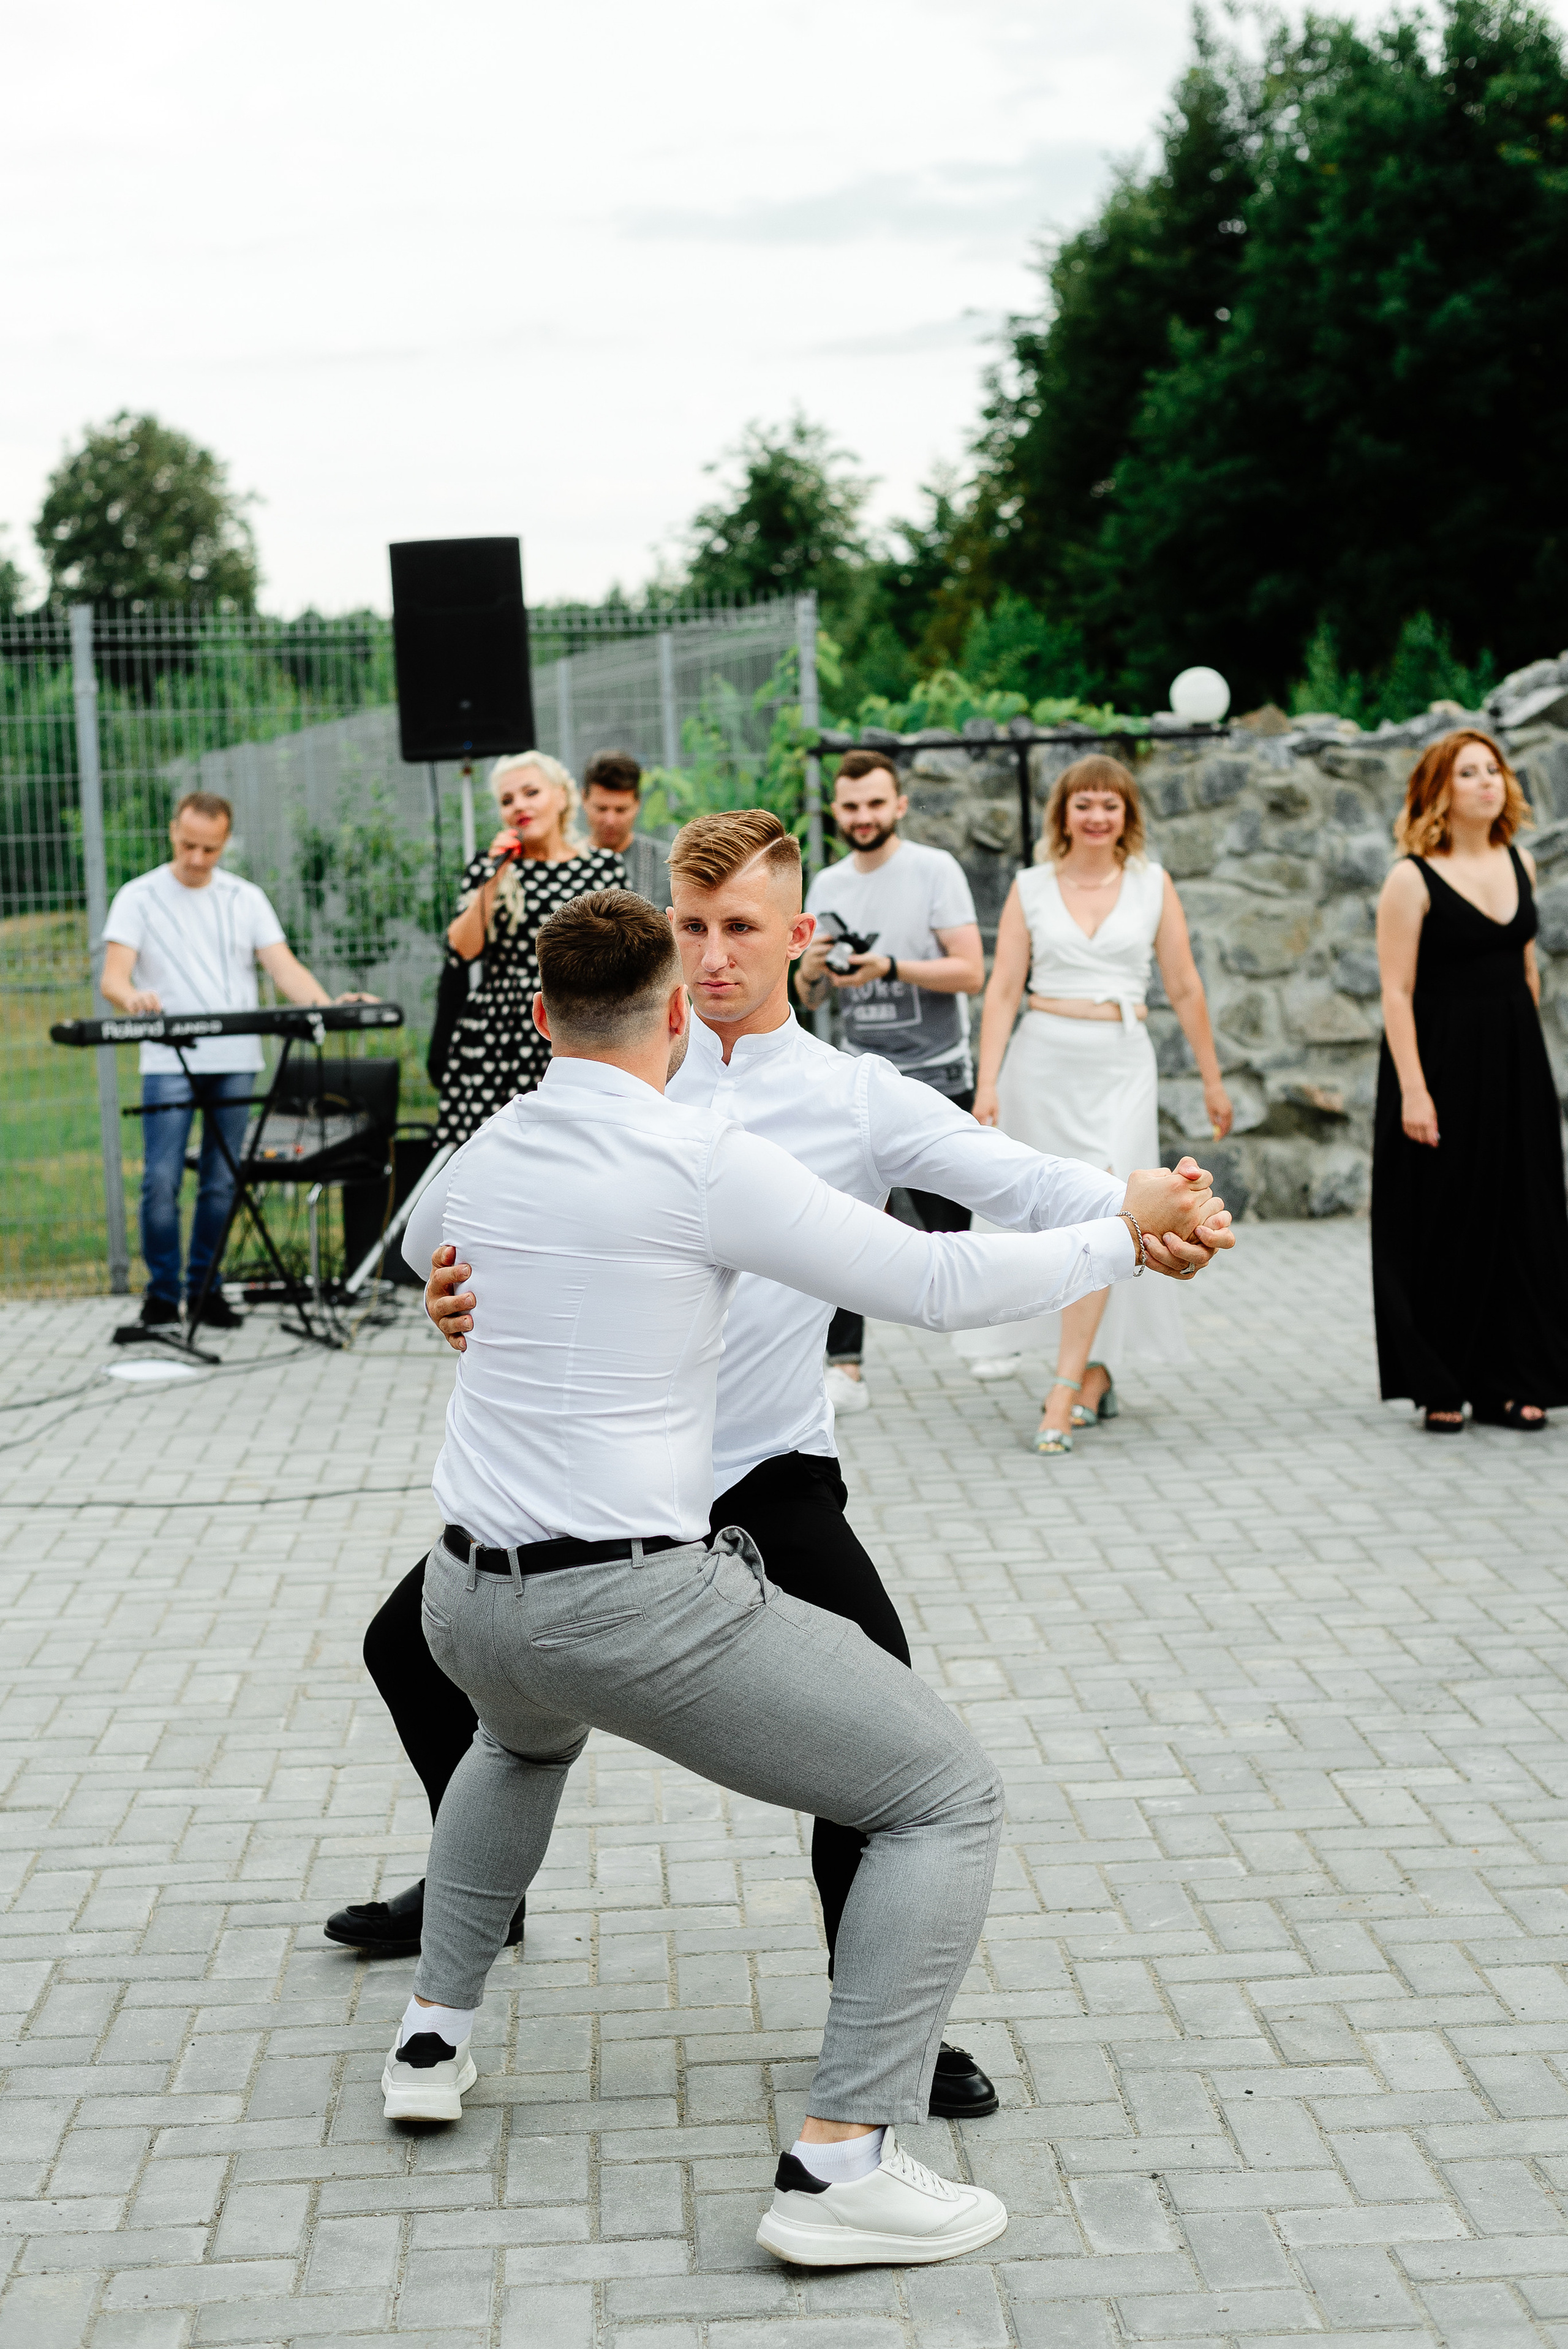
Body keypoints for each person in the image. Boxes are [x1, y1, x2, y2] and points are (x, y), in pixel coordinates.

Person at [337, 811, 1232, 2127]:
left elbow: (1021, 1190)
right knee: (409, 1649)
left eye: (738, 928)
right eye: (688, 928)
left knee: (884, 1735)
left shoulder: (851, 1099)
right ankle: (475, 1900)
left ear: (798, 939)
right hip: (592, 1510)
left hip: (757, 1474)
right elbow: (448, 1236)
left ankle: (882, 2016)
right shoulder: (621, 1070)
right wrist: (451, 1294)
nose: (707, 957)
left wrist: (1140, 1208)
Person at [969, 754, 1234, 1454]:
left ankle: (1063, 1389)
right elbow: (1002, 988)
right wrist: (987, 1081)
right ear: (1063, 813)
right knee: (1055, 1217)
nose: (1095, 815)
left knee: (1115, 1212)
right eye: (1082, 803)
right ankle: (1092, 1369)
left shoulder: (1153, 885)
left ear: (1126, 816)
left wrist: (1211, 1078)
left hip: (1121, 1063)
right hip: (1042, 1061)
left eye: (1109, 804)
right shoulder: (1029, 887)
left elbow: (1183, 987)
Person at [100, 789, 370, 1334]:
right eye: (188, 846)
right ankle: (161, 1295)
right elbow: (113, 976)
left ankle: (205, 1290)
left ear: (226, 842)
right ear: (172, 832)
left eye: (210, 849)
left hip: (234, 1058)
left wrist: (325, 1007)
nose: (197, 859)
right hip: (168, 1059)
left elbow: (282, 967)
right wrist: (134, 1000)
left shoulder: (245, 898)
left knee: (222, 1182)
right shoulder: (138, 896)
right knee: (160, 1179)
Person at [1373, 729, 1568, 1431]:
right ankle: (1441, 1382)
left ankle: (1514, 1379)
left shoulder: (1521, 862)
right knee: (1447, 1217)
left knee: (1525, 1214)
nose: (1488, 782)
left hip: (1515, 1057)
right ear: (1440, 790)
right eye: (1469, 772)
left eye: (1494, 769)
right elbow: (1395, 991)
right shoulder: (1410, 877)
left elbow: (1524, 967)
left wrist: (1524, 1039)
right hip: (1439, 1060)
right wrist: (1414, 1090)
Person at [797, 751, 986, 1415]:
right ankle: (844, 1367)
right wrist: (815, 968)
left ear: (898, 805)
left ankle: (983, 1325)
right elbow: (807, 990)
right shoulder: (824, 884)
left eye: (875, 804)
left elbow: (970, 971)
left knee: (947, 1228)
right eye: (850, 807)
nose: (863, 818)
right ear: (836, 812)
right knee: (845, 1221)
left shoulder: (934, 869)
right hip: (860, 1079)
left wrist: (892, 966)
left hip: (936, 1074)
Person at [433, 752, 623, 1148]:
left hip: (578, 1021)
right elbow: (463, 948)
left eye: (531, 793)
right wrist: (495, 874)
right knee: (493, 1149)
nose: (519, 805)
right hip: (498, 1030)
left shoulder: (604, 868)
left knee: (573, 1144)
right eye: (507, 800)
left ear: (560, 797)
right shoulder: (490, 869)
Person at [581, 747, 669, 906]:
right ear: (584, 799)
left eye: (621, 810)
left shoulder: (667, 865)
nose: (610, 821)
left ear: (637, 804)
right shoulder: (567, 861)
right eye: (601, 809)